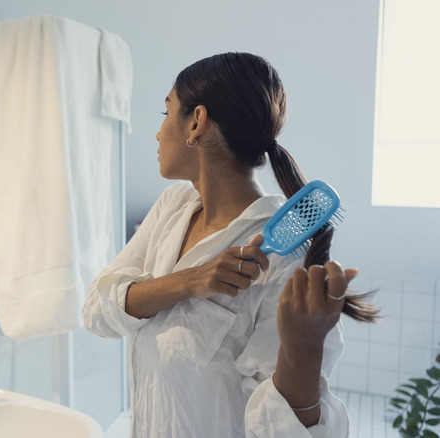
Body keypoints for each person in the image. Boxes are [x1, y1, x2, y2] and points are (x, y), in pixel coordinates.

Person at [82, 52, 378, 437]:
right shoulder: (173, 206)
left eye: (165, 112)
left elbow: (277, 432)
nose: (157, 132)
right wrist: (187, 282)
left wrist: (303, 351)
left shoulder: (284, 263)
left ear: (196, 122)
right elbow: (97, 312)